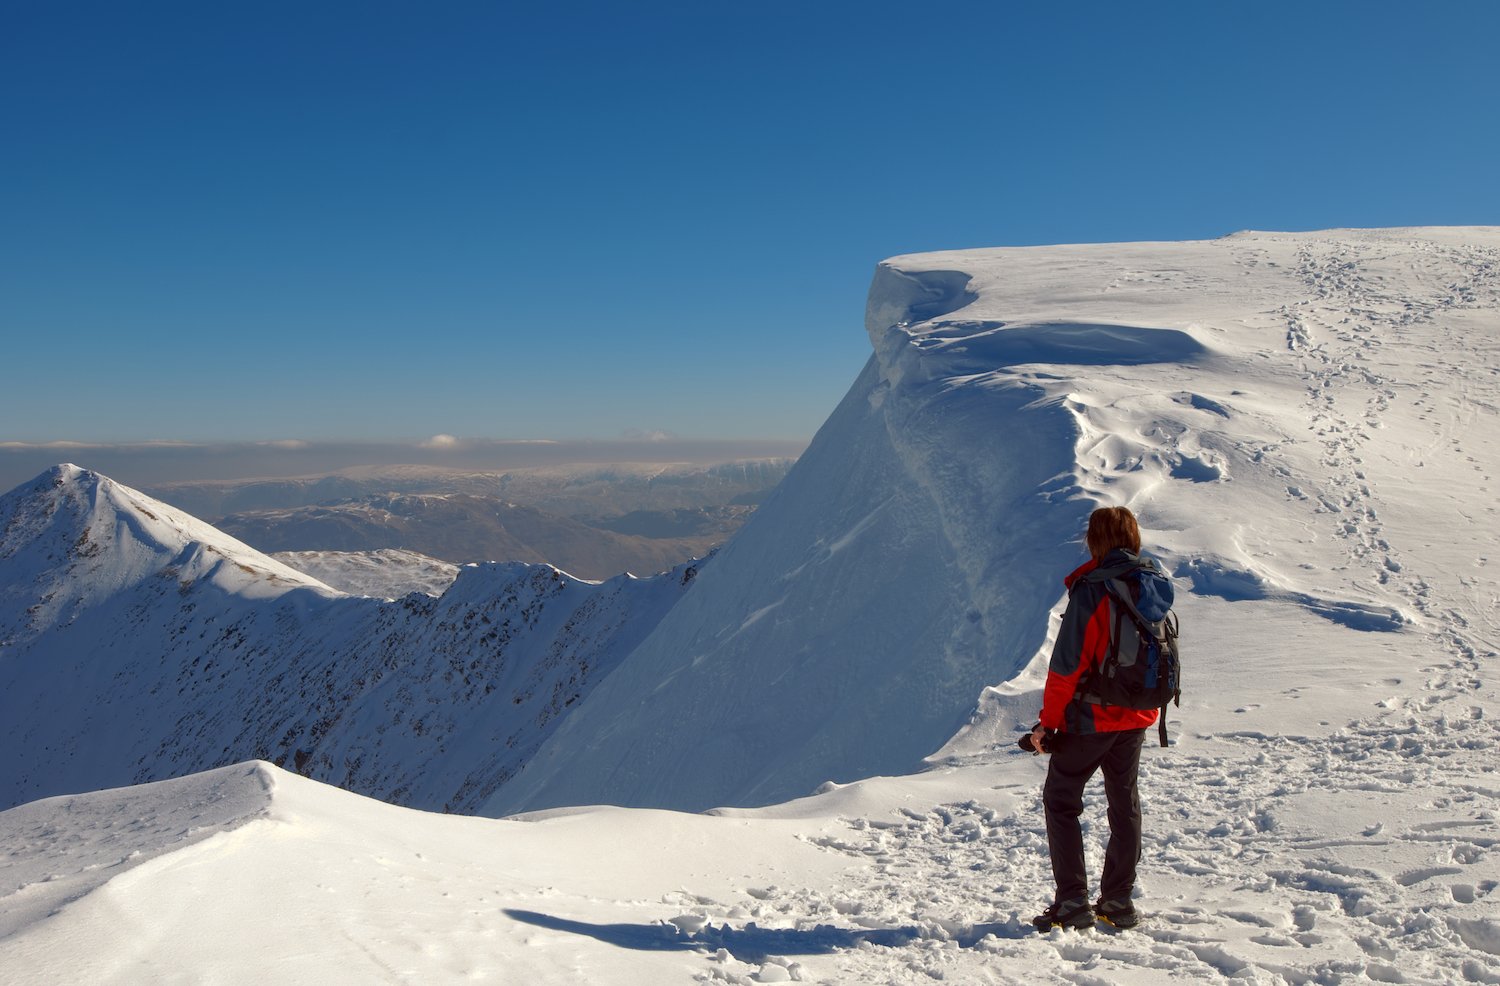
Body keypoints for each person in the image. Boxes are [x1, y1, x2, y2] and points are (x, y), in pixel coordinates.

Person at [1029, 505, 1172, 932]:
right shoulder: (1153, 584)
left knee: (1061, 799)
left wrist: (1048, 724)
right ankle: (1119, 901)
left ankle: (1073, 902)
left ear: (1096, 541)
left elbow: (1066, 667)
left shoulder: (1093, 590)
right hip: (1138, 715)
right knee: (1123, 804)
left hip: (1092, 717)